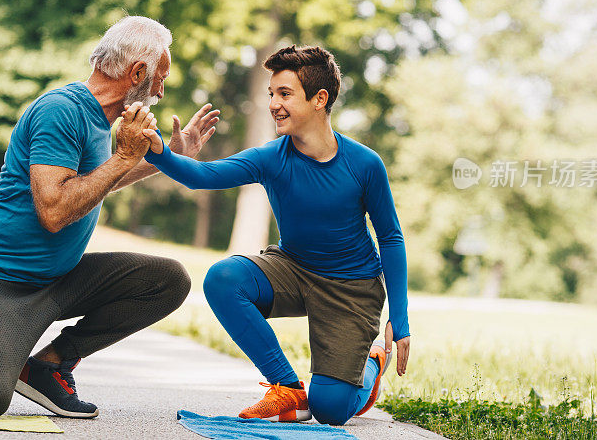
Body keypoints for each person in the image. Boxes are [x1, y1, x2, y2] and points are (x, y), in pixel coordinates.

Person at [0, 16, 220, 419]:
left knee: (167, 280)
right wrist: (124, 156)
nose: (162, 92)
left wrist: (168, 160)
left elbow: (95, 184)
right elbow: (55, 211)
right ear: (138, 72)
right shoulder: (60, 110)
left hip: (54, 282)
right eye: (161, 78)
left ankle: (47, 365)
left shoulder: (101, 122)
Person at [142, 45, 410, 425]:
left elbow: (391, 238)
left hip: (352, 288)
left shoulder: (364, 164)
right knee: (223, 278)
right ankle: (287, 388)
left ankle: (371, 364)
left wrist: (399, 318)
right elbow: (204, 175)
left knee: (331, 410)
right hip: (294, 269)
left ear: (320, 99)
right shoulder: (272, 157)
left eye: (284, 94)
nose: (273, 104)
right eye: (271, 94)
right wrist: (159, 153)